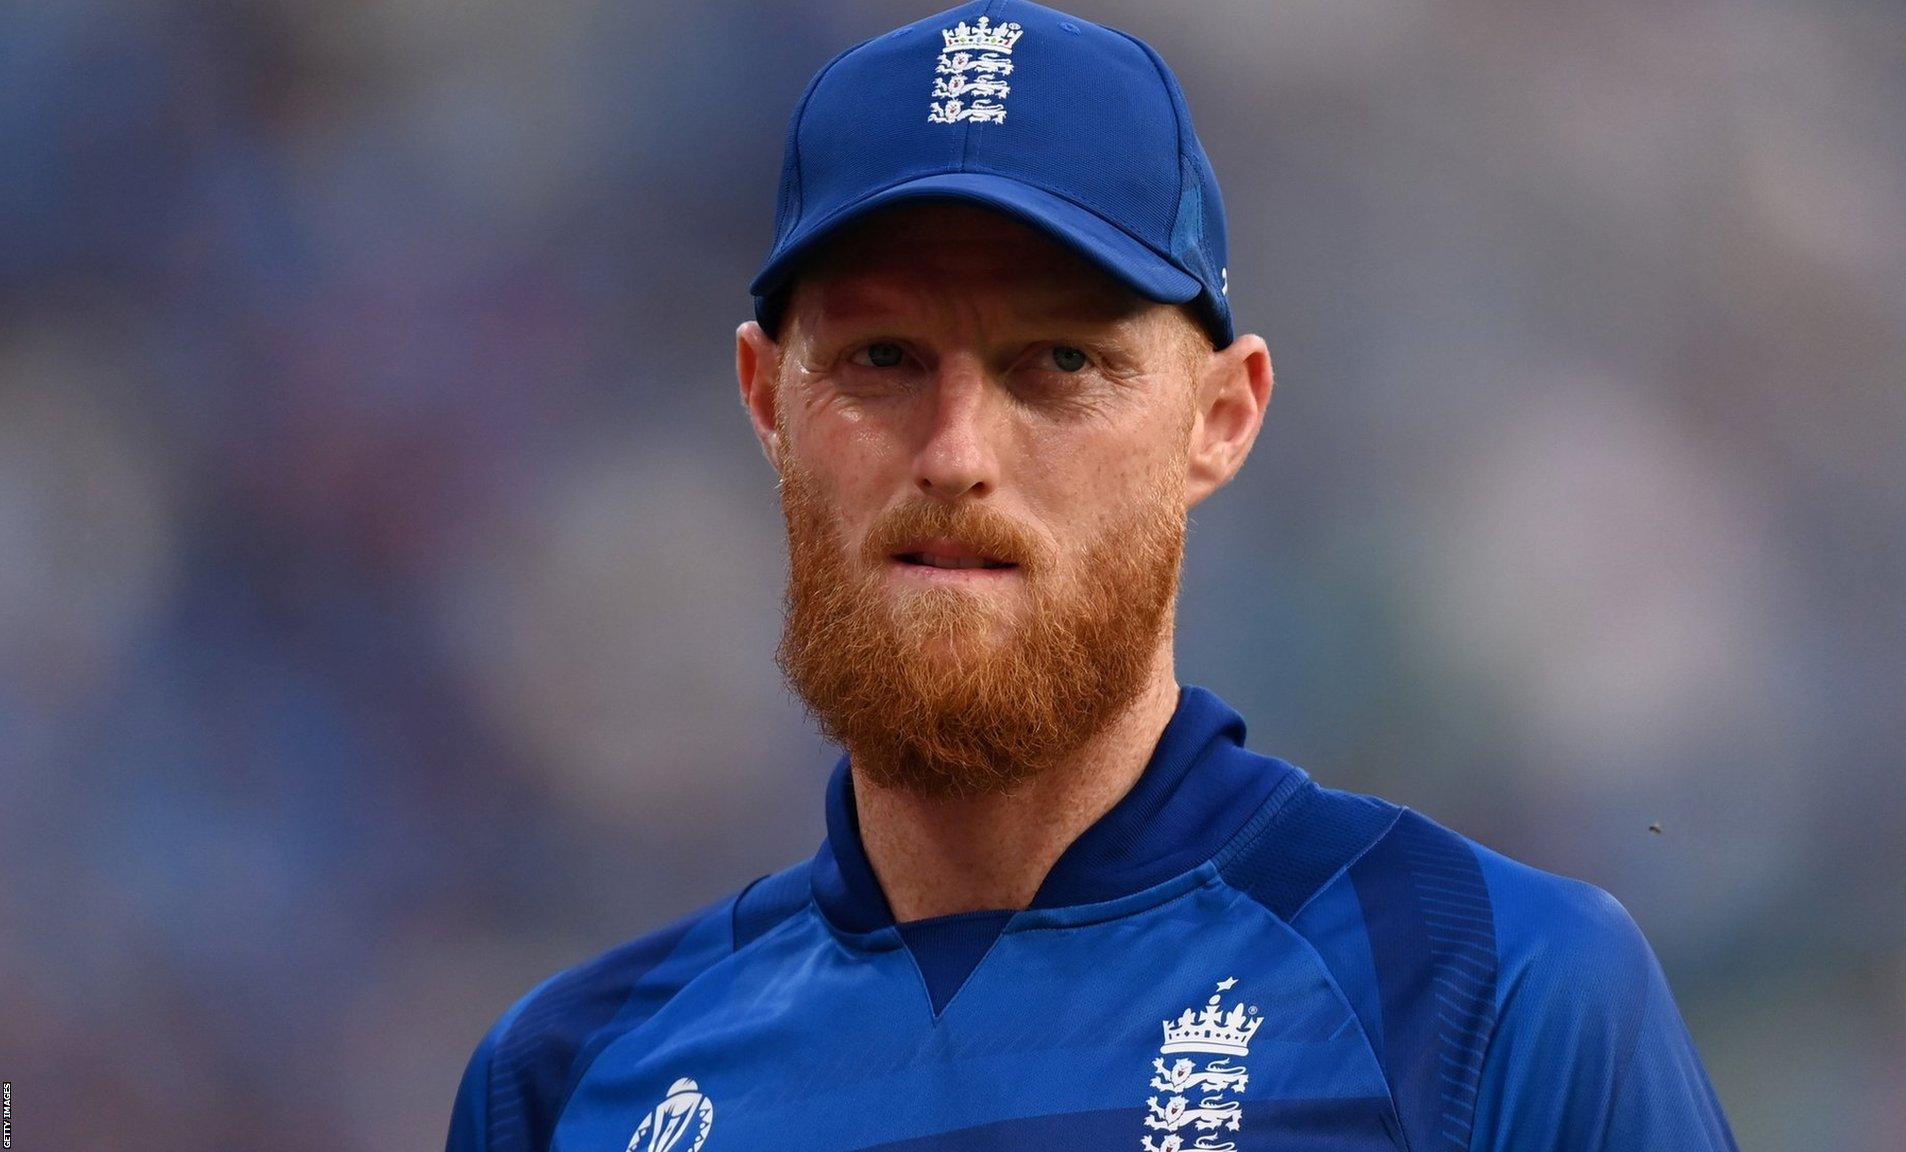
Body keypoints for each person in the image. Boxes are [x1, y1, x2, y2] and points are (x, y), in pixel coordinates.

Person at [444, 3, 1742, 1150]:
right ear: (764, 400)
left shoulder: (1487, 998)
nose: (954, 454)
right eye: (882, 360)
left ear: (1221, 419)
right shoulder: (568, 1088)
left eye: (1058, 363)